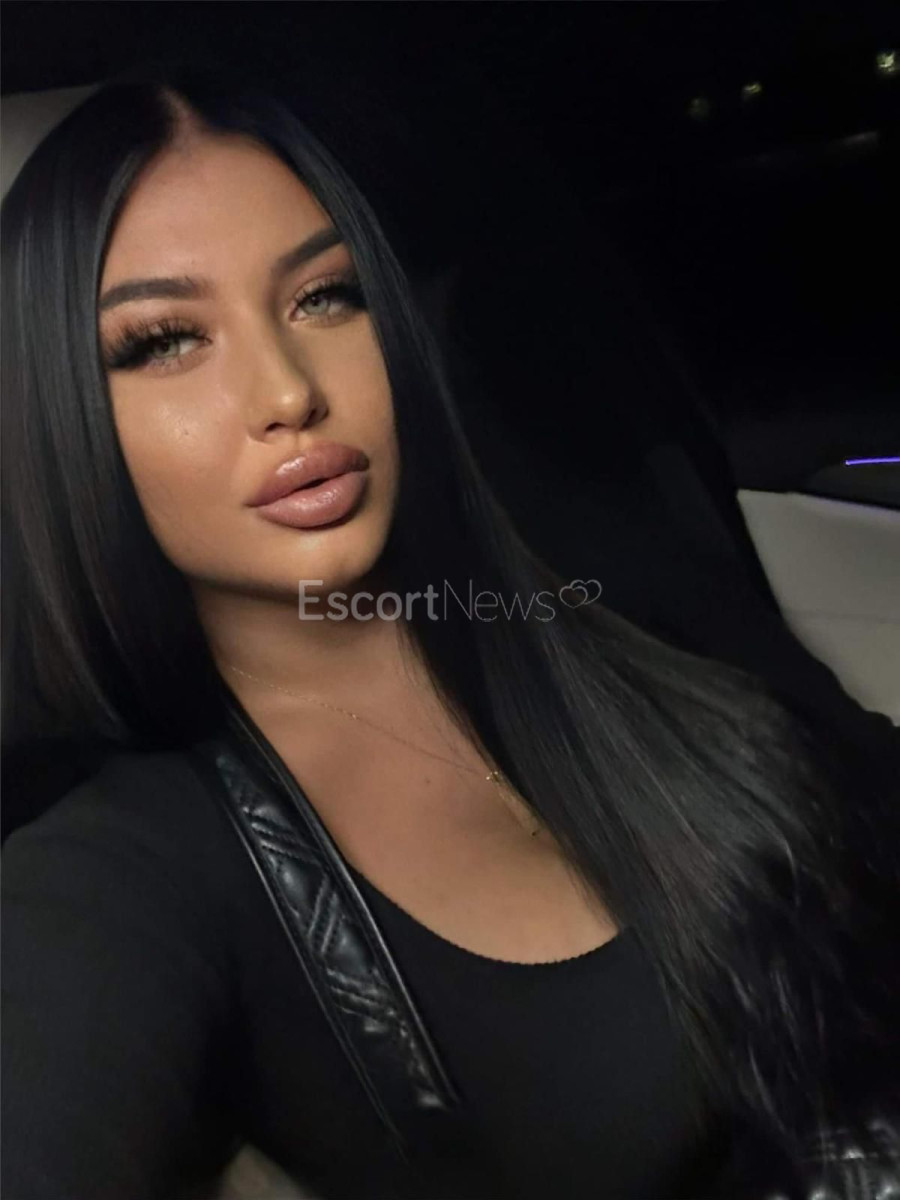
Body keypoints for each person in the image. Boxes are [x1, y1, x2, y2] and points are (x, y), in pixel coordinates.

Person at [1, 60, 897, 1200]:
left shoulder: (589, 596)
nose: (288, 391)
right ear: (61, 414)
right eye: (165, 340)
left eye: (324, 296)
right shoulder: (122, 870)